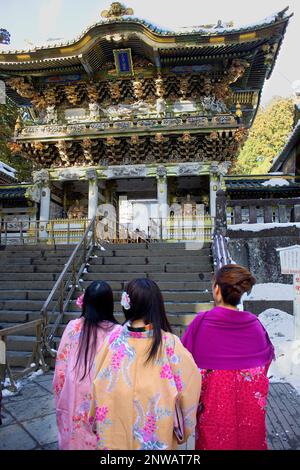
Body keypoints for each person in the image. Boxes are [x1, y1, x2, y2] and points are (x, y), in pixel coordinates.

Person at [90, 278, 201, 450]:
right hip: (157, 430)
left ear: (127, 304)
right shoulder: (169, 343)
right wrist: (184, 425)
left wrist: (94, 417)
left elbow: (96, 381)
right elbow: (190, 385)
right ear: (157, 306)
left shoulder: (112, 341)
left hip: (115, 430)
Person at [182, 264, 275, 450]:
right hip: (250, 417)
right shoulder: (255, 325)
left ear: (217, 290)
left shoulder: (200, 324)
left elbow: (183, 367)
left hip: (213, 417)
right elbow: (264, 365)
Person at [53, 281, 119, 450]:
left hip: (75, 397)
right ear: (109, 304)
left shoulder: (73, 328)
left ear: (86, 303)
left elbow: (60, 371)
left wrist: (62, 397)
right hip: (107, 398)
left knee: (76, 439)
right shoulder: (118, 332)